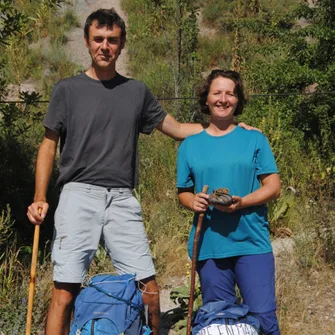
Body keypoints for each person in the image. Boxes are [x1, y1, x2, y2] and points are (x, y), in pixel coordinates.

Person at [27, 9, 253, 335]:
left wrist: (224, 129)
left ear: (121, 45)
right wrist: (39, 197)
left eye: (113, 40)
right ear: (88, 42)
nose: (105, 46)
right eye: (99, 39)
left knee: (149, 291)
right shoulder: (67, 89)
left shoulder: (136, 91)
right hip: (78, 195)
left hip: (122, 198)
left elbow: (174, 128)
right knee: (65, 292)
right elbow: (48, 145)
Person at [177, 69, 281, 335]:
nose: (223, 99)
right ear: (207, 98)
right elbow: (183, 191)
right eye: (217, 93)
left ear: (237, 100)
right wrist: (194, 202)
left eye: (230, 93)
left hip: (252, 243)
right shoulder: (190, 145)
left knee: (264, 319)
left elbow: (273, 187)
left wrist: (243, 202)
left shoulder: (254, 138)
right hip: (210, 246)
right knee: (220, 323)